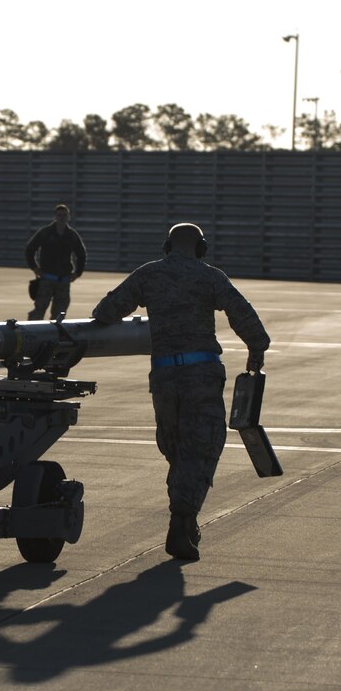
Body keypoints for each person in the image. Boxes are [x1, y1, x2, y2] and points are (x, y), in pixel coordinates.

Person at [91, 223, 270, 560]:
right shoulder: (210, 276)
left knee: (176, 449)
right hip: (200, 375)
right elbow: (242, 314)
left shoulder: (148, 275)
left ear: (167, 246)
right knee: (200, 448)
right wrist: (257, 349)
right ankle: (180, 525)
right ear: (200, 247)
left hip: (163, 377)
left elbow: (106, 312)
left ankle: (185, 523)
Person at [25, 203, 87, 320]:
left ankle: (55, 337)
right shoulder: (45, 233)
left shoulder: (72, 235)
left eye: (64, 215)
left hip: (64, 280)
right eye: (59, 215)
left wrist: (77, 273)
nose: (62, 217)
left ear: (69, 217)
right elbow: (30, 249)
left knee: (59, 315)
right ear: (55, 217)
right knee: (39, 311)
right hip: (46, 279)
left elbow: (81, 254)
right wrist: (35, 268)